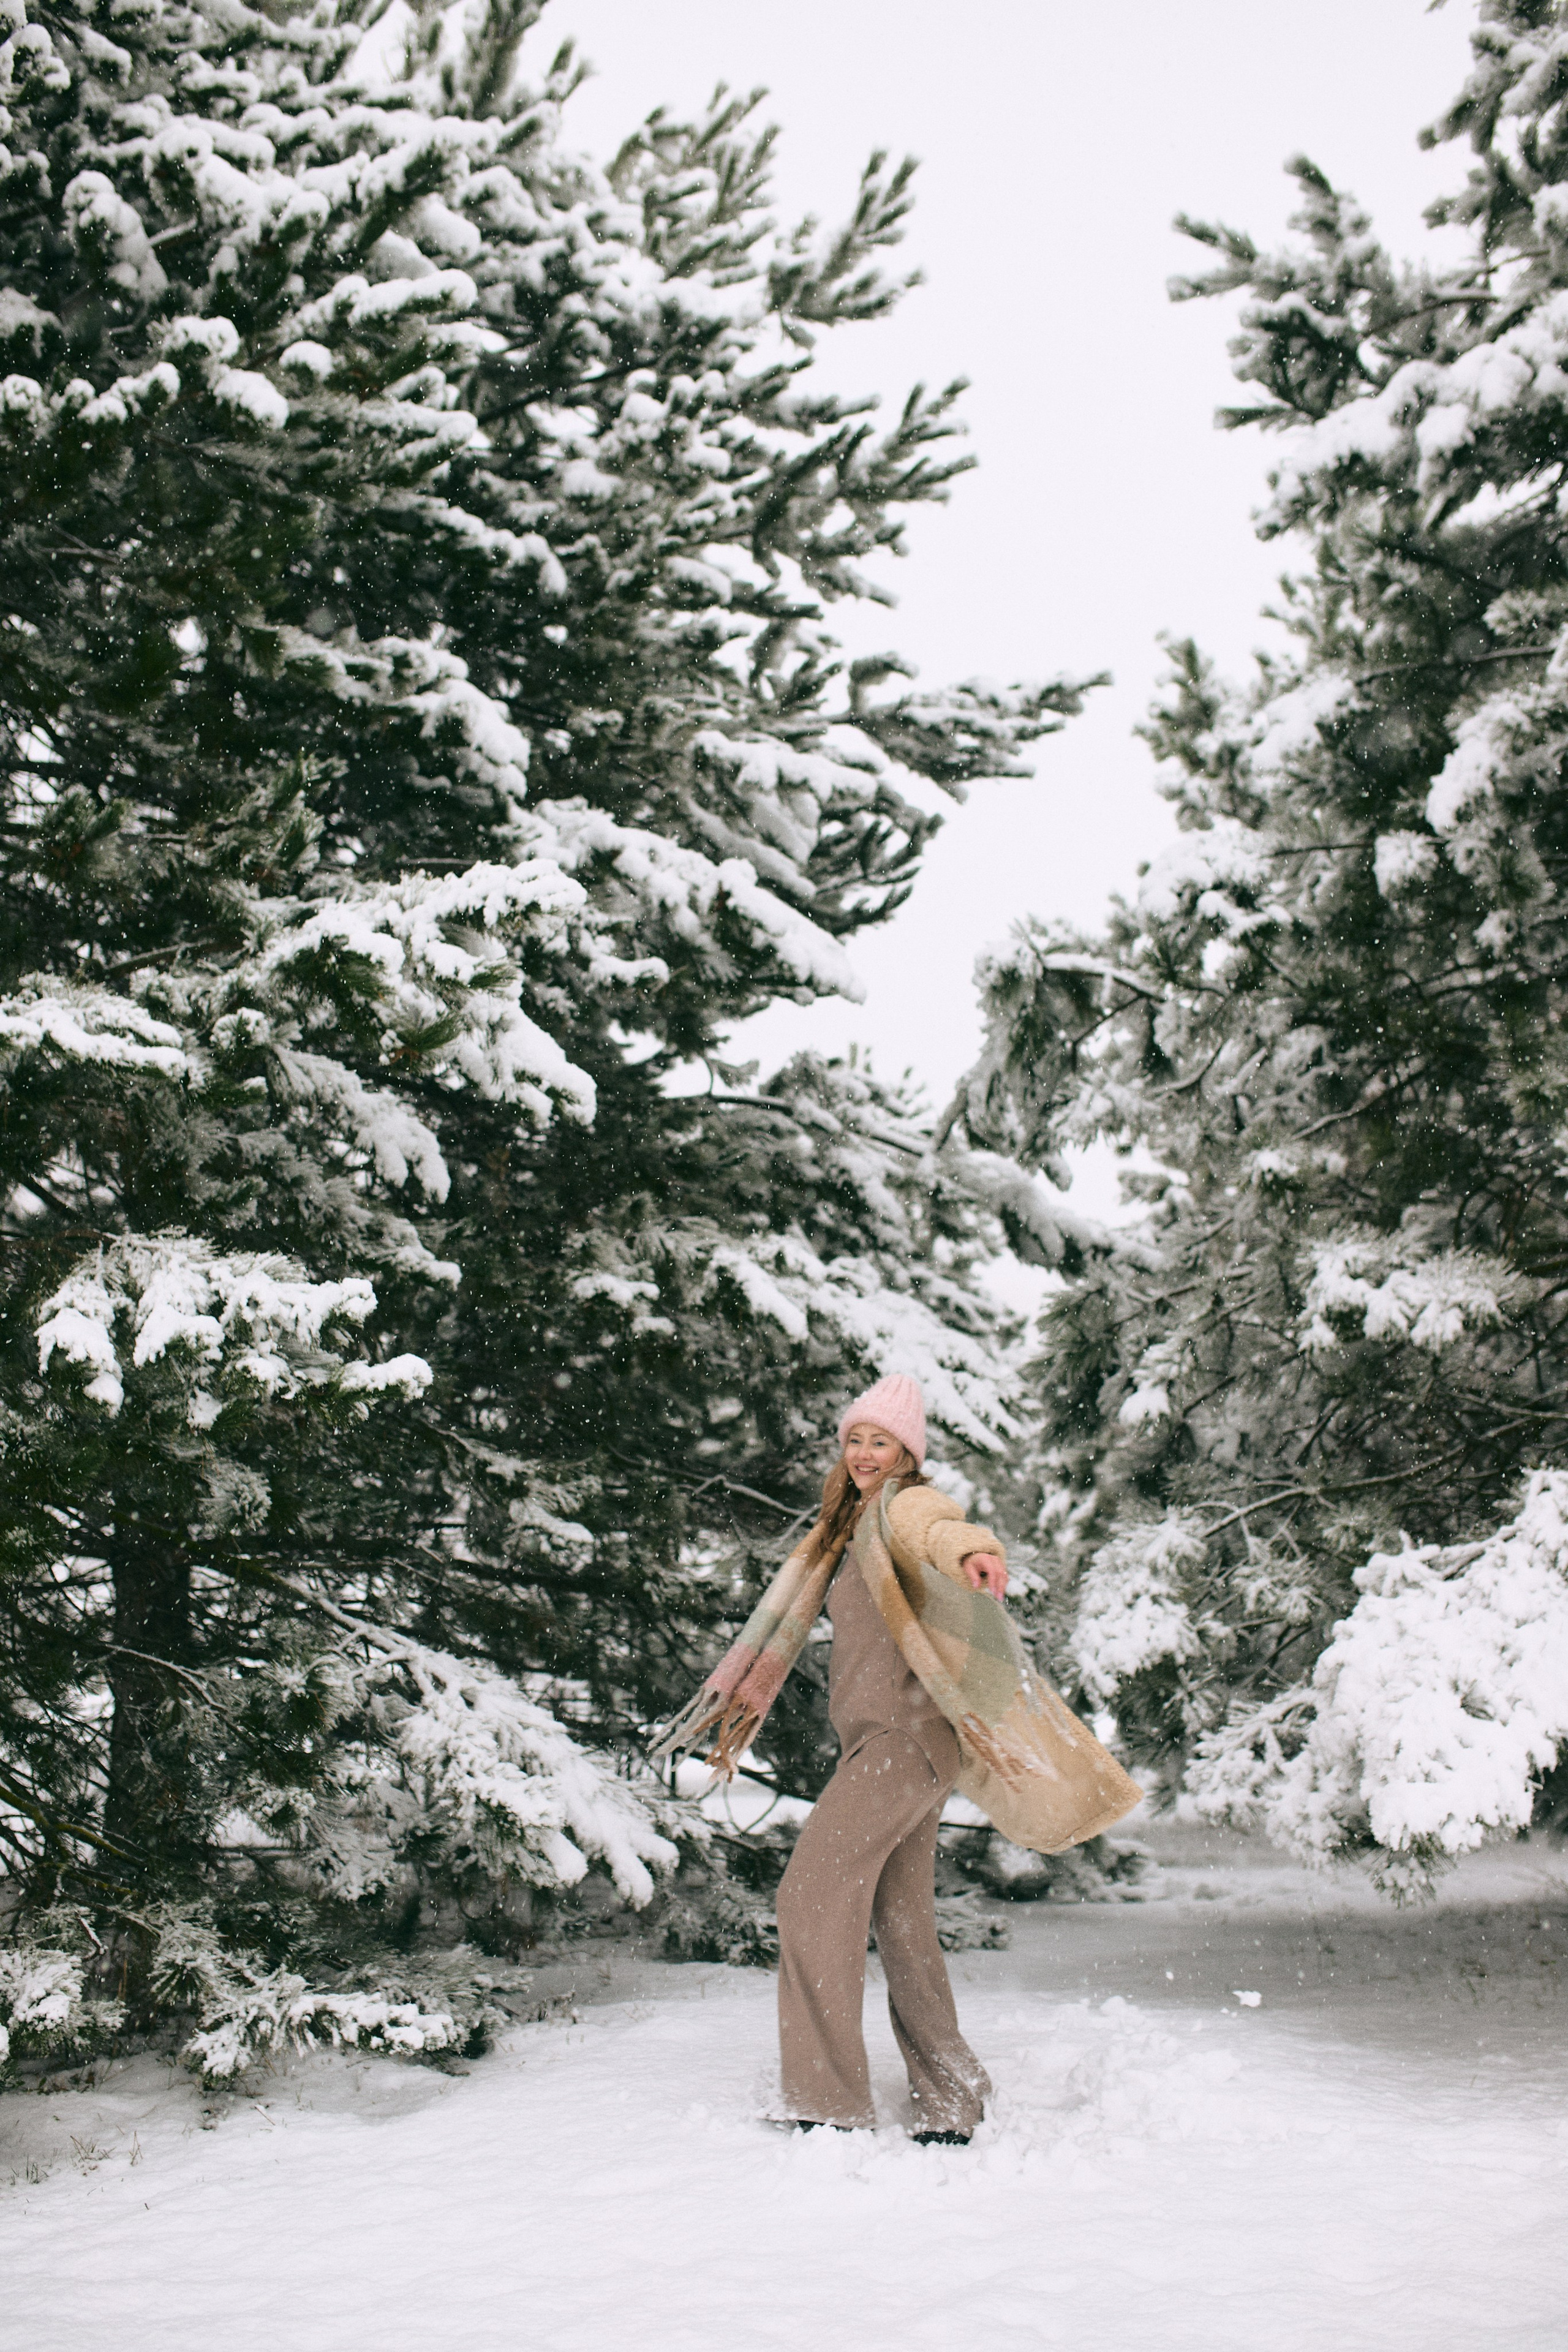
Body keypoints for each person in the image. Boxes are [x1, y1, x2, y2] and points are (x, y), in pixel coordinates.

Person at [654, 1372, 1140, 2144]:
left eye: (880, 1441)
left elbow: (941, 1530)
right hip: (893, 1747)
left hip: (901, 1744)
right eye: (854, 1438)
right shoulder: (845, 1535)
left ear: (907, 1453)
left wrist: (975, 1552)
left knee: (808, 1893)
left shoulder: (903, 1509)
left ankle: (826, 2099)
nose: (864, 1453)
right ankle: (953, 2098)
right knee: (902, 1920)